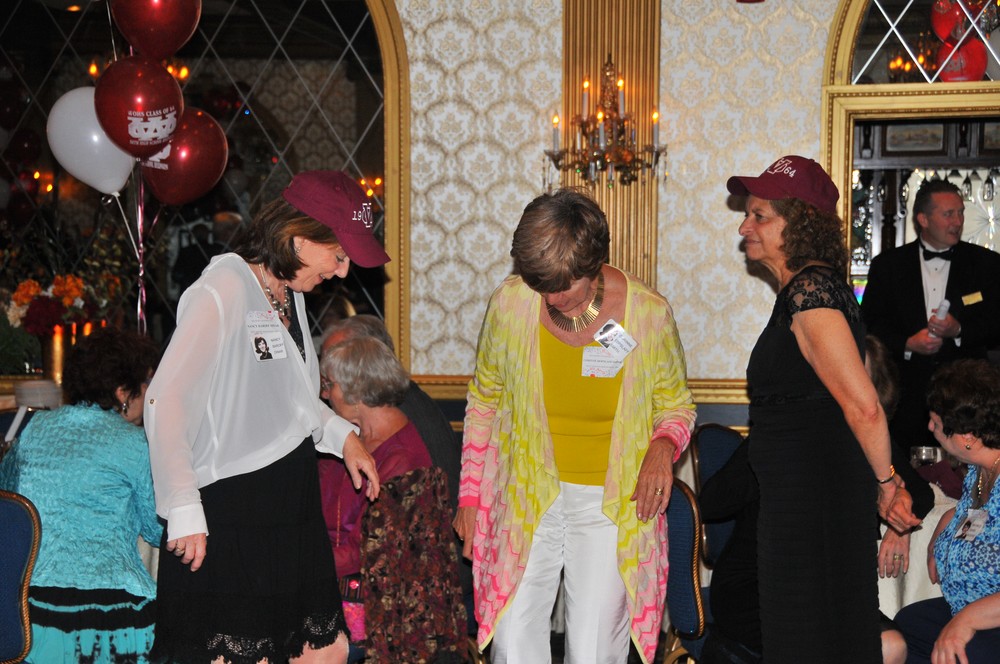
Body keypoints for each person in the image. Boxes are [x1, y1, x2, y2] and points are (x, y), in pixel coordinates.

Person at [144, 170, 387, 663]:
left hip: (290, 513)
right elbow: (165, 401)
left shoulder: (289, 293)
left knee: (325, 651)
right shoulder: (224, 288)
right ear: (299, 239)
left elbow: (295, 400)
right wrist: (183, 506)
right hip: (235, 515)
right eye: (338, 255)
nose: (343, 272)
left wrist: (343, 437)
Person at [453, 188, 696, 663]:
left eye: (563, 286)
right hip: (523, 494)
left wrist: (663, 446)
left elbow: (676, 405)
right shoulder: (510, 303)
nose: (551, 297)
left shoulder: (647, 314)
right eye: (540, 284)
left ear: (594, 263)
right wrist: (470, 497)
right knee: (511, 641)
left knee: (593, 648)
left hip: (611, 503)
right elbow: (484, 401)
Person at [727, 155, 917, 663]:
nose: (745, 227)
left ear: (800, 224)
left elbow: (863, 406)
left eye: (759, 215)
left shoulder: (812, 293)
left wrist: (887, 483)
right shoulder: (803, 292)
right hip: (800, 499)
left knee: (814, 640)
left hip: (815, 502)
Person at [697, 335, 933, 664]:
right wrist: (765, 454)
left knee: (891, 646)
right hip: (758, 584)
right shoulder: (781, 432)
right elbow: (710, 504)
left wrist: (898, 527)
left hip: (828, 590)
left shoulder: (871, 442)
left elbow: (919, 492)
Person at [0, 327, 161, 662]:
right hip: (111, 617)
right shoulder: (135, 443)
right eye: (146, 382)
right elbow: (156, 530)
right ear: (122, 392)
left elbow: (10, 503)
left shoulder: (33, 429)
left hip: (30, 613)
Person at [317, 336, 465, 660]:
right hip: (336, 584)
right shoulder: (351, 438)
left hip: (380, 610)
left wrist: (300, 561)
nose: (324, 395)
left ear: (355, 390)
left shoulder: (402, 458)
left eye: (330, 385)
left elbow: (365, 553)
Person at [861, 179, 1000, 450]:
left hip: (968, 398)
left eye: (960, 212)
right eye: (948, 214)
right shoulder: (888, 266)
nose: (958, 221)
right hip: (904, 397)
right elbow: (871, 324)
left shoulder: (987, 264)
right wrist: (908, 344)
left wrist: (958, 331)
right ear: (923, 219)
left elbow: (996, 322)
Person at [894, 359, 1000, 663]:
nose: (929, 428)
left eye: (937, 424)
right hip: (966, 608)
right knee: (907, 626)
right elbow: (982, 515)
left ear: (967, 437)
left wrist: (966, 621)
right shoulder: (980, 471)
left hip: (988, 618)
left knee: (956, 653)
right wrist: (949, 520)